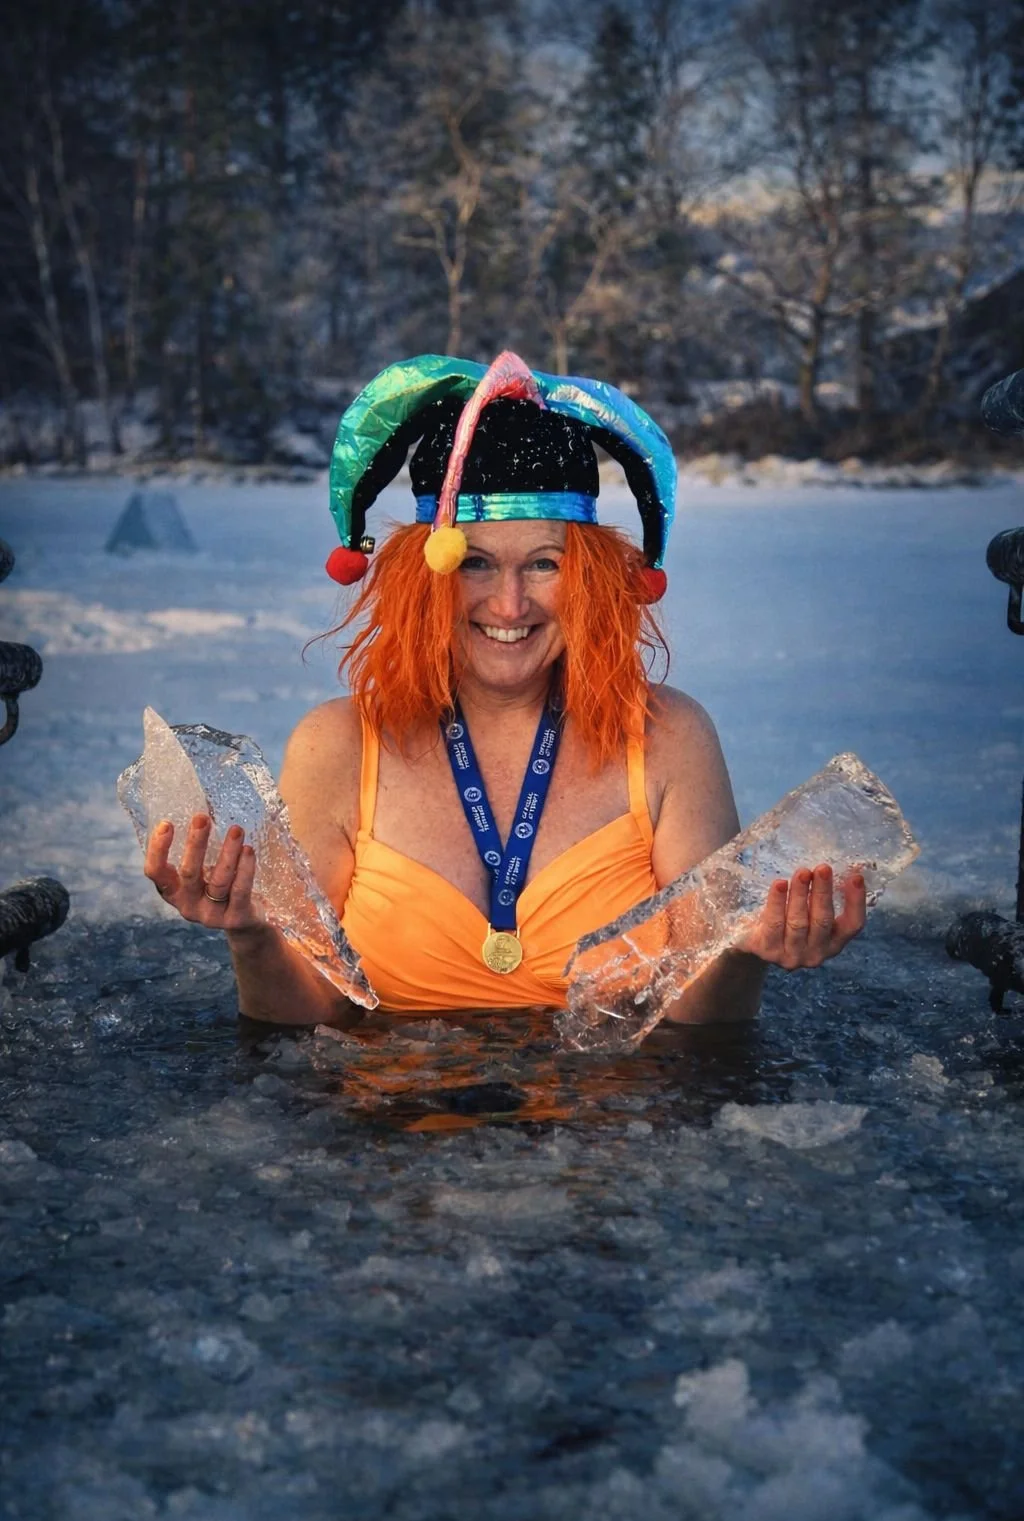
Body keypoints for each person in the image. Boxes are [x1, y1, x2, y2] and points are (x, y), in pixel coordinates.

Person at [145, 351, 865, 1025]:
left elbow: (693, 1017)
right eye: (476, 563)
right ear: (421, 577)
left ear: (592, 580)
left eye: (545, 565)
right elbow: (306, 1017)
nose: (511, 604)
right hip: (394, 1135)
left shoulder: (671, 738)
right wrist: (250, 936)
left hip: (612, 1138)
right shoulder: (336, 745)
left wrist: (743, 953)